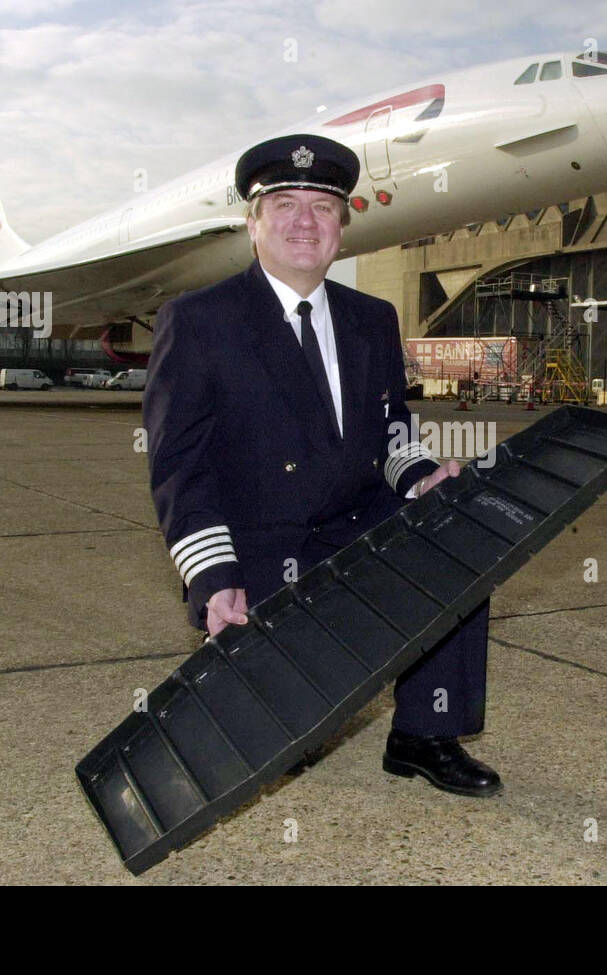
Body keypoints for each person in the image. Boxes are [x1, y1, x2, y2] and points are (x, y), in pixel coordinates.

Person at [143, 133, 500, 797]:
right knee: (282, 751)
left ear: (342, 227)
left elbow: (393, 433)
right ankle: (285, 702)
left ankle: (424, 733)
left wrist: (422, 477)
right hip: (259, 546)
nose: (305, 220)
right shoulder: (198, 320)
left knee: (459, 531)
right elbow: (179, 466)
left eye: (324, 206)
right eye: (284, 203)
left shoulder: (373, 318)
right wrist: (213, 579)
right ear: (253, 223)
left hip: (354, 526)